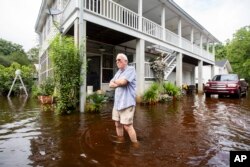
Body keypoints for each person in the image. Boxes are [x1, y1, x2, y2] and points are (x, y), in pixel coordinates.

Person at [109, 53, 138, 144]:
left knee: (127, 126)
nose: (117, 61)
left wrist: (115, 82)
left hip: (127, 103)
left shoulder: (131, 69)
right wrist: (115, 82)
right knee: (117, 124)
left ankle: (135, 143)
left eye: (119, 60)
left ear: (126, 61)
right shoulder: (118, 72)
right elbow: (110, 84)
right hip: (117, 103)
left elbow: (123, 82)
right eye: (116, 60)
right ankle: (121, 140)